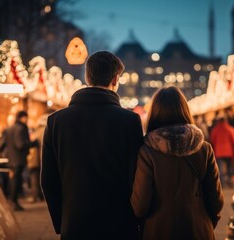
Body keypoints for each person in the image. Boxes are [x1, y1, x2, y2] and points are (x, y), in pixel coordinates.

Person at [41, 51, 144, 240]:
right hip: (119, 224)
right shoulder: (130, 121)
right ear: (115, 79)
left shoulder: (56, 121)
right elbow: (136, 176)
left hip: (75, 224)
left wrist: (62, 221)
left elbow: (48, 179)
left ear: (88, 77)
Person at [131, 86, 224, 240]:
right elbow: (216, 200)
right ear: (184, 110)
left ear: (154, 113)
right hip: (198, 230)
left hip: (158, 230)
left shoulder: (148, 151)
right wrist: (205, 223)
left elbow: (140, 206)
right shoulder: (204, 149)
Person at [5, 111, 38, 211]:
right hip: (18, 159)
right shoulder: (20, 128)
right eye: (25, 117)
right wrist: (33, 143)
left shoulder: (11, 128)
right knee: (16, 181)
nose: (27, 120)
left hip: (12, 158)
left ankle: (13, 201)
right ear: (22, 117)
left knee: (14, 180)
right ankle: (13, 202)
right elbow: (20, 144)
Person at [210, 113, 234, 188]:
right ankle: (230, 183)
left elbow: (212, 141)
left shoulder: (215, 130)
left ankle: (223, 184)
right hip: (229, 152)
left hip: (219, 152)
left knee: (221, 170)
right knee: (229, 168)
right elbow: (233, 141)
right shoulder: (231, 129)